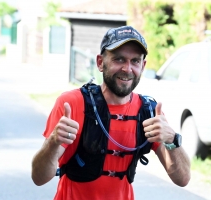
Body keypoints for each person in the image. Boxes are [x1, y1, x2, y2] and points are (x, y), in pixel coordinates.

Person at [31, 25, 191, 200]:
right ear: (100, 62)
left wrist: (172, 140)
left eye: (135, 61)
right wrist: (53, 142)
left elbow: (182, 179)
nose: (127, 69)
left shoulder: (149, 111)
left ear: (143, 66)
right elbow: (39, 178)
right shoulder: (72, 103)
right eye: (119, 59)